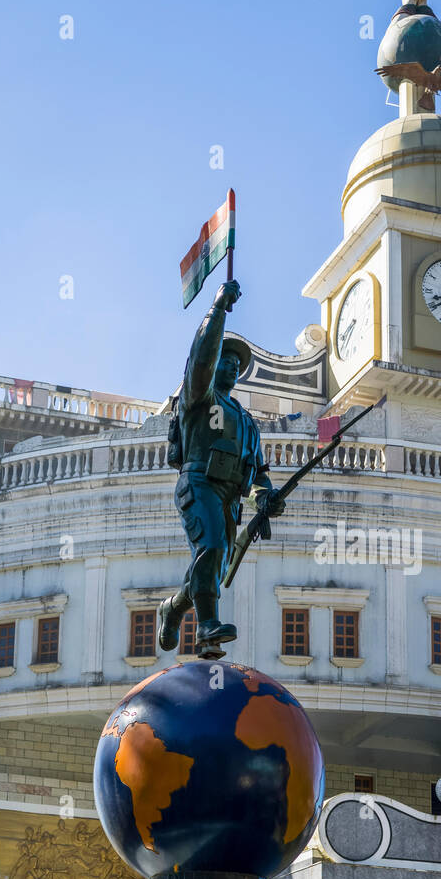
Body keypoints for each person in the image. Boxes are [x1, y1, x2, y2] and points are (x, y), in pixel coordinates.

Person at [157, 279, 284, 655]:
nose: (229, 366)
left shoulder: (246, 422)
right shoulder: (201, 398)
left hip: (231, 496)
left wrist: (266, 497)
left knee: (210, 563)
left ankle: (175, 607)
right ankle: (208, 625)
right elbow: (200, 355)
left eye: (235, 364)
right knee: (210, 548)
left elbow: (258, 472)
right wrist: (217, 311)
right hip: (199, 482)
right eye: (223, 360)